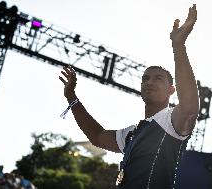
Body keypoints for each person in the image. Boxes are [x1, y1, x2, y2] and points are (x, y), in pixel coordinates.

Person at [59, 4, 199, 189]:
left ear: (171, 90)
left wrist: (178, 46)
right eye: (145, 78)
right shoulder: (133, 133)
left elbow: (189, 108)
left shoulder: (171, 122)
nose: (149, 82)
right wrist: (71, 97)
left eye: (158, 79)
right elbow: (97, 136)